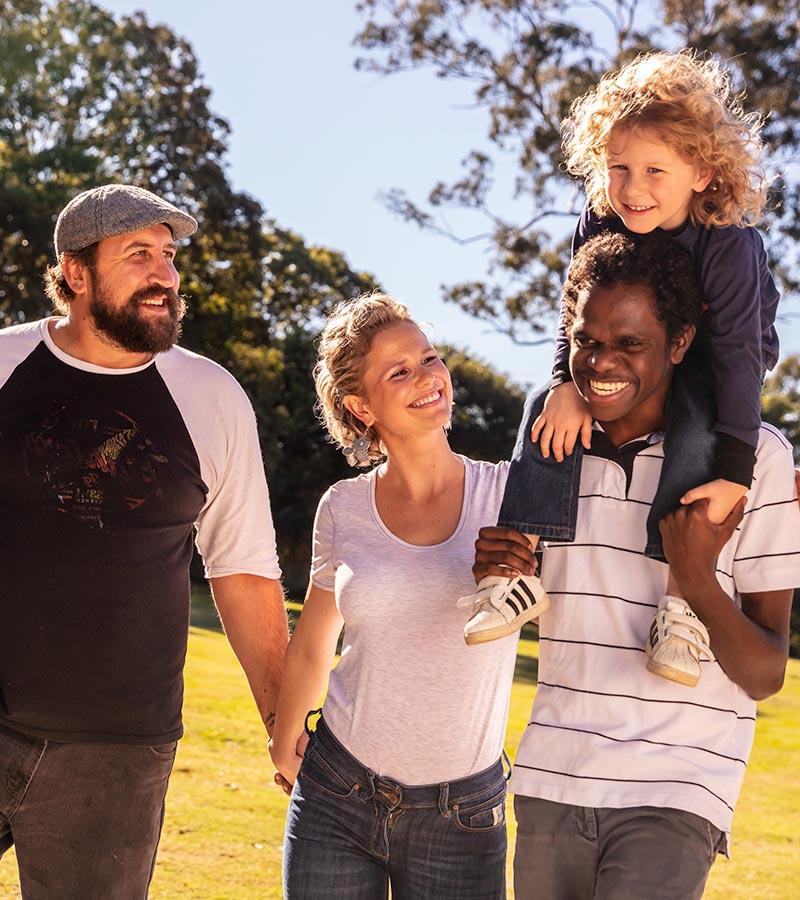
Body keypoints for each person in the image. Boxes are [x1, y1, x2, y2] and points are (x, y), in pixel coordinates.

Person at [472, 230, 800, 900]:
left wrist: (696, 577)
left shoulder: (748, 463)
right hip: (552, 776)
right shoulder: (549, 449)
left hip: (678, 788)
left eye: (629, 343)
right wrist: (498, 565)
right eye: (587, 341)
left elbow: (765, 672)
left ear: (680, 344)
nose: (601, 363)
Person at [0, 184, 288, 899]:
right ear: (76, 272)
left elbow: (243, 566)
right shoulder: (3, 364)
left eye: (168, 255)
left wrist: (281, 719)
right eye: (138, 255)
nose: (164, 274)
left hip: (116, 752)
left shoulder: (211, 396)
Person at [461, 50, 780, 690]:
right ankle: (516, 576)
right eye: (618, 168)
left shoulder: (727, 241)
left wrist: (735, 471)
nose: (633, 189)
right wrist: (563, 383)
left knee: (695, 424)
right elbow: (573, 313)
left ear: (703, 172)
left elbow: (739, 355)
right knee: (543, 409)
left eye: (656, 170)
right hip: (627, 353)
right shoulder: (600, 221)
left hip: (717, 359)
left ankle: (681, 608)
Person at [269, 293, 518, 900]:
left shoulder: (510, 496)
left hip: (463, 816)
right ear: (360, 405)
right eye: (399, 372)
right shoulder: (343, 506)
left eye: (429, 358)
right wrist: (283, 738)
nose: (427, 378)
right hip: (337, 791)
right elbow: (315, 641)